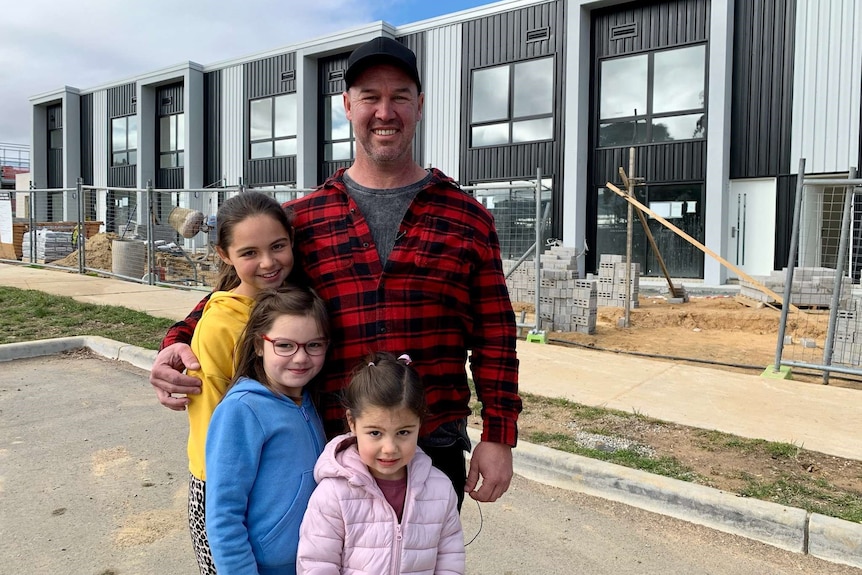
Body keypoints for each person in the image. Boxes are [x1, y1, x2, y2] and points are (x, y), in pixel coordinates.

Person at [149, 36, 521, 507]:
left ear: (420, 105)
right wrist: (176, 341)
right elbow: (245, 292)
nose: (385, 112)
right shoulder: (305, 220)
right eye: (370, 97)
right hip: (327, 443)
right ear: (347, 105)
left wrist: (499, 434)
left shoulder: (467, 219)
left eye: (399, 96)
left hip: (429, 441)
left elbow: (495, 335)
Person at [185, 191, 296, 574]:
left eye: (278, 246)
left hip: (277, 485)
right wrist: (227, 504)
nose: (268, 263)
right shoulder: (218, 326)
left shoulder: (291, 306)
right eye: (249, 253)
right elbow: (212, 425)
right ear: (224, 255)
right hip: (225, 491)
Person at [296, 352, 464, 575]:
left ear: (419, 423)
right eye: (375, 432)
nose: (389, 448)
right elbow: (316, 564)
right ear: (352, 423)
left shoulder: (440, 490)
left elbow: (450, 561)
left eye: (403, 432)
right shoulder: (333, 494)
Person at [206, 286, 329, 575]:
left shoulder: (309, 401)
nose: (301, 358)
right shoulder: (242, 410)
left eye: (314, 345)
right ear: (260, 345)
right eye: (285, 345)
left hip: (314, 561)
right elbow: (224, 514)